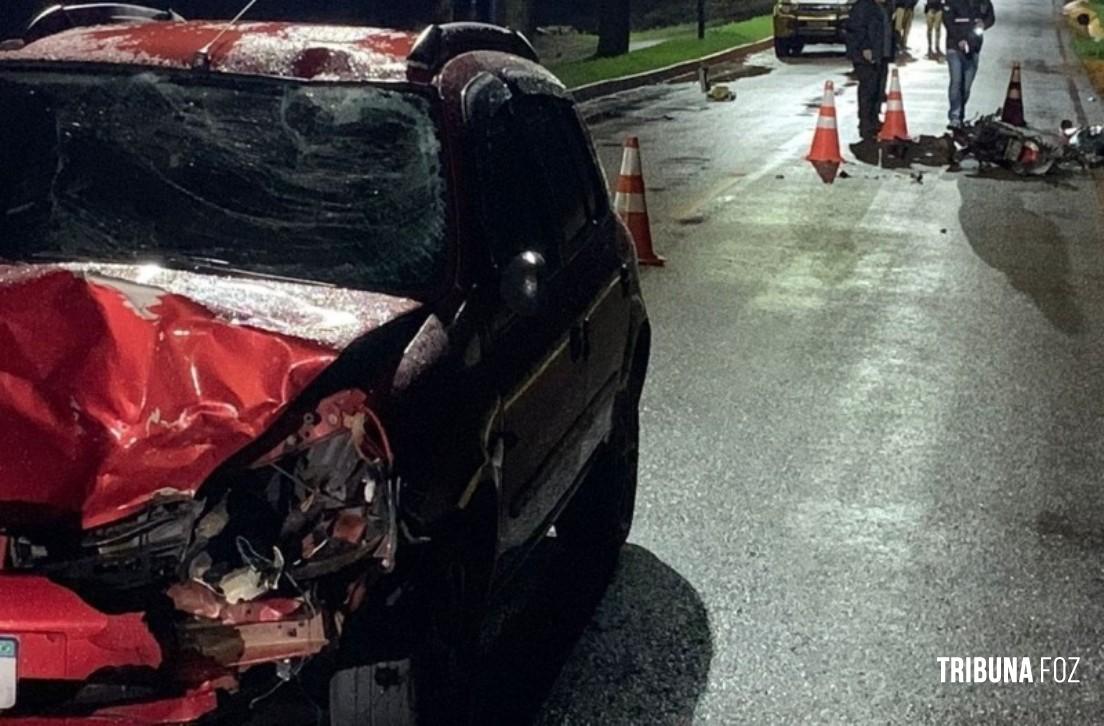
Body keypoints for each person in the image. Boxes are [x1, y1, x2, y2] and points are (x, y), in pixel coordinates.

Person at [846, 0, 894, 140]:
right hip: (867, 56)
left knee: (878, 89)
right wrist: (865, 47)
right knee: (868, 89)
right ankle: (866, 123)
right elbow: (857, 28)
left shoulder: (883, 7)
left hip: (881, 55)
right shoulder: (863, 6)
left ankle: (874, 119)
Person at [942, 0, 995, 128]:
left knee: (965, 87)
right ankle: (954, 116)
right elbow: (948, 21)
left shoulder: (982, 2)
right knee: (956, 82)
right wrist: (959, 39)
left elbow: (991, 17)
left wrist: (984, 24)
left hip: (974, 48)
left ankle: (960, 112)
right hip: (954, 47)